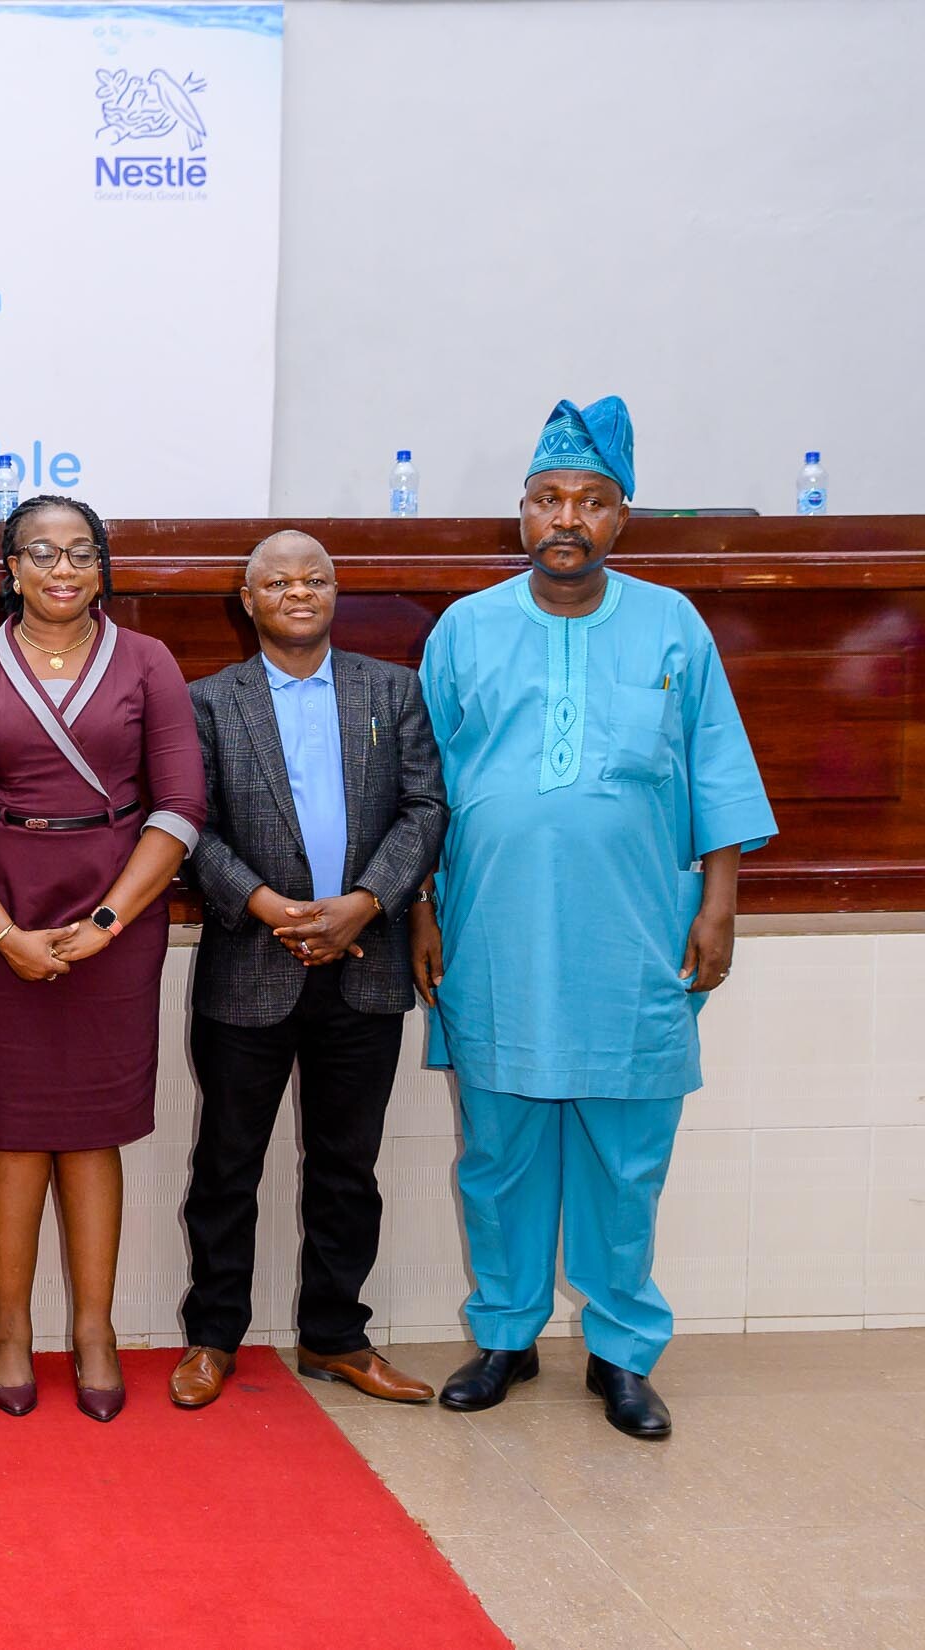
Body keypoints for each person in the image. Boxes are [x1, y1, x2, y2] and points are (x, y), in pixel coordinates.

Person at [413, 397, 776, 1440]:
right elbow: (425, 788)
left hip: (634, 934)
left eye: (589, 501)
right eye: (545, 499)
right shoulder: (464, 628)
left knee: (625, 1158)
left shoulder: (672, 625)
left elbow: (715, 774)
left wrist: (718, 907)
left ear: (622, 518)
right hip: (491, 933)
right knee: (498, 1150)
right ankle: (505, 1335)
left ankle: (620, 1352)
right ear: (518, 514)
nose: (564, 517)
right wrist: (423, 912)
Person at [0, 495, 204, 1421]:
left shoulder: (149, 662)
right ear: (12, 569)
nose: (63, 569)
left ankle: (92, 1329)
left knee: (93, 1127)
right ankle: (7, 1328)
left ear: (103, 565)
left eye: (81, 552)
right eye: (42, 553)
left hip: (119, 909)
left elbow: (182, 805)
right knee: (14, 1128)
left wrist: (111, 918)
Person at [172, 530, 447, 1410]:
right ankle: (214, 1337)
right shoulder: (206, 702)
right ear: (245, 601)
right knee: (226, 1165)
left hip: (365, 962)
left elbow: (425, 808)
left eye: (315, 579)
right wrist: (264, 904)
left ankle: (336, 1337)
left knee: (347, 1167)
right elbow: (187, 825)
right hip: (250, 961)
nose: (299, 592)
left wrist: (365, 902)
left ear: (336, 593)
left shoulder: (393, 690)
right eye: (277, 582)